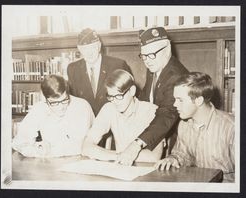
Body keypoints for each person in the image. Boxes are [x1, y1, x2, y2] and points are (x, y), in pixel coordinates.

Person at [116, 27, 189, 165]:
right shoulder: (155, 65)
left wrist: (136, 145)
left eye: (151, 55)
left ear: (167, 49)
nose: (147, 61)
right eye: (143, 56)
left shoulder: (176, 76)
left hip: (173, 146)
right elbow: (145, 99)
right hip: (153, 135)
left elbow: (166, 115)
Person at [154, 72, 235, 182]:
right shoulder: (184, 124)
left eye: (180, 100)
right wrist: (173, 159)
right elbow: (181, 154)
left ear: (198, 101)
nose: (175, 104)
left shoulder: (231, 127)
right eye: (175, 99)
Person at [82, 69, 164, 163]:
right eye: (110, 96)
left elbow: (154, 156)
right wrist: (120, 156)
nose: (114, 101)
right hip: (120, 168)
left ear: (132, 91)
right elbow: (86, 147)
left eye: (119, 96)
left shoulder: (152, 111)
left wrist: (118, 155)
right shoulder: (109, 108)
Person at [12, 75, 94, 158]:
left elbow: (84, 145)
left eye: (65, 100)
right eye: (54, 103)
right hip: (49, 164)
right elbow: (18, 143)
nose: (61, 107)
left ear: (68, 93)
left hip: (79, 161)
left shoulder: (82, 107)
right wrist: (36, 149)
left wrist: (51, 150)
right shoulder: (39, 108)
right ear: (46, 99)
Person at [67, 28, 132, 116]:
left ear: (99, 46)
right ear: (79, 49)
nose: (89, 52)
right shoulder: (73, 69)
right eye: (85, 49)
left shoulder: (118, 65)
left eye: (93, 47)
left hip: (113, 122)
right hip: (86, 123)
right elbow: (73, 102)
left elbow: (130, 99)